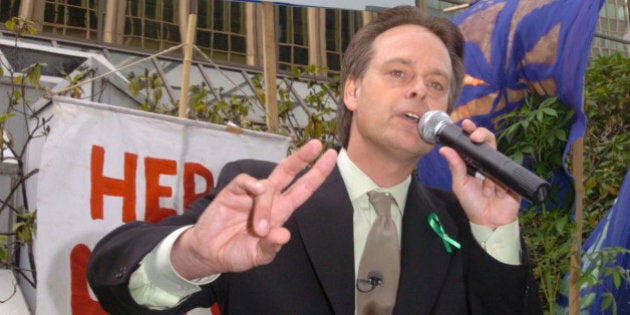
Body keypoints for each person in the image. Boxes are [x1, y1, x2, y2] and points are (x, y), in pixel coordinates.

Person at [87, 5, 542, 314]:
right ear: (353, 90)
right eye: (398, 72)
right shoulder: (267, 195)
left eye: (436, 84)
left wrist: (494, 231)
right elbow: (112, 276)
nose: (420, 90)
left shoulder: (465, 228)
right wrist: (190, 258)